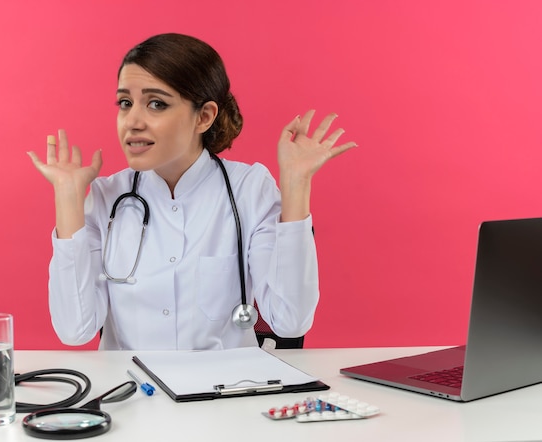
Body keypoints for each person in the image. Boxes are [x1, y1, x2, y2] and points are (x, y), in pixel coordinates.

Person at [27, 33, 356, 350]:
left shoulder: (249, 190)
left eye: (156, 104)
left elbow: (290, 321)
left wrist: (297, 183)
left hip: (224, 395)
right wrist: (68, 198)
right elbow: (75, 330)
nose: (132, 121)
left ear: (204, 116)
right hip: (132, 396)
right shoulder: (105, 198)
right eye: (125, 103)